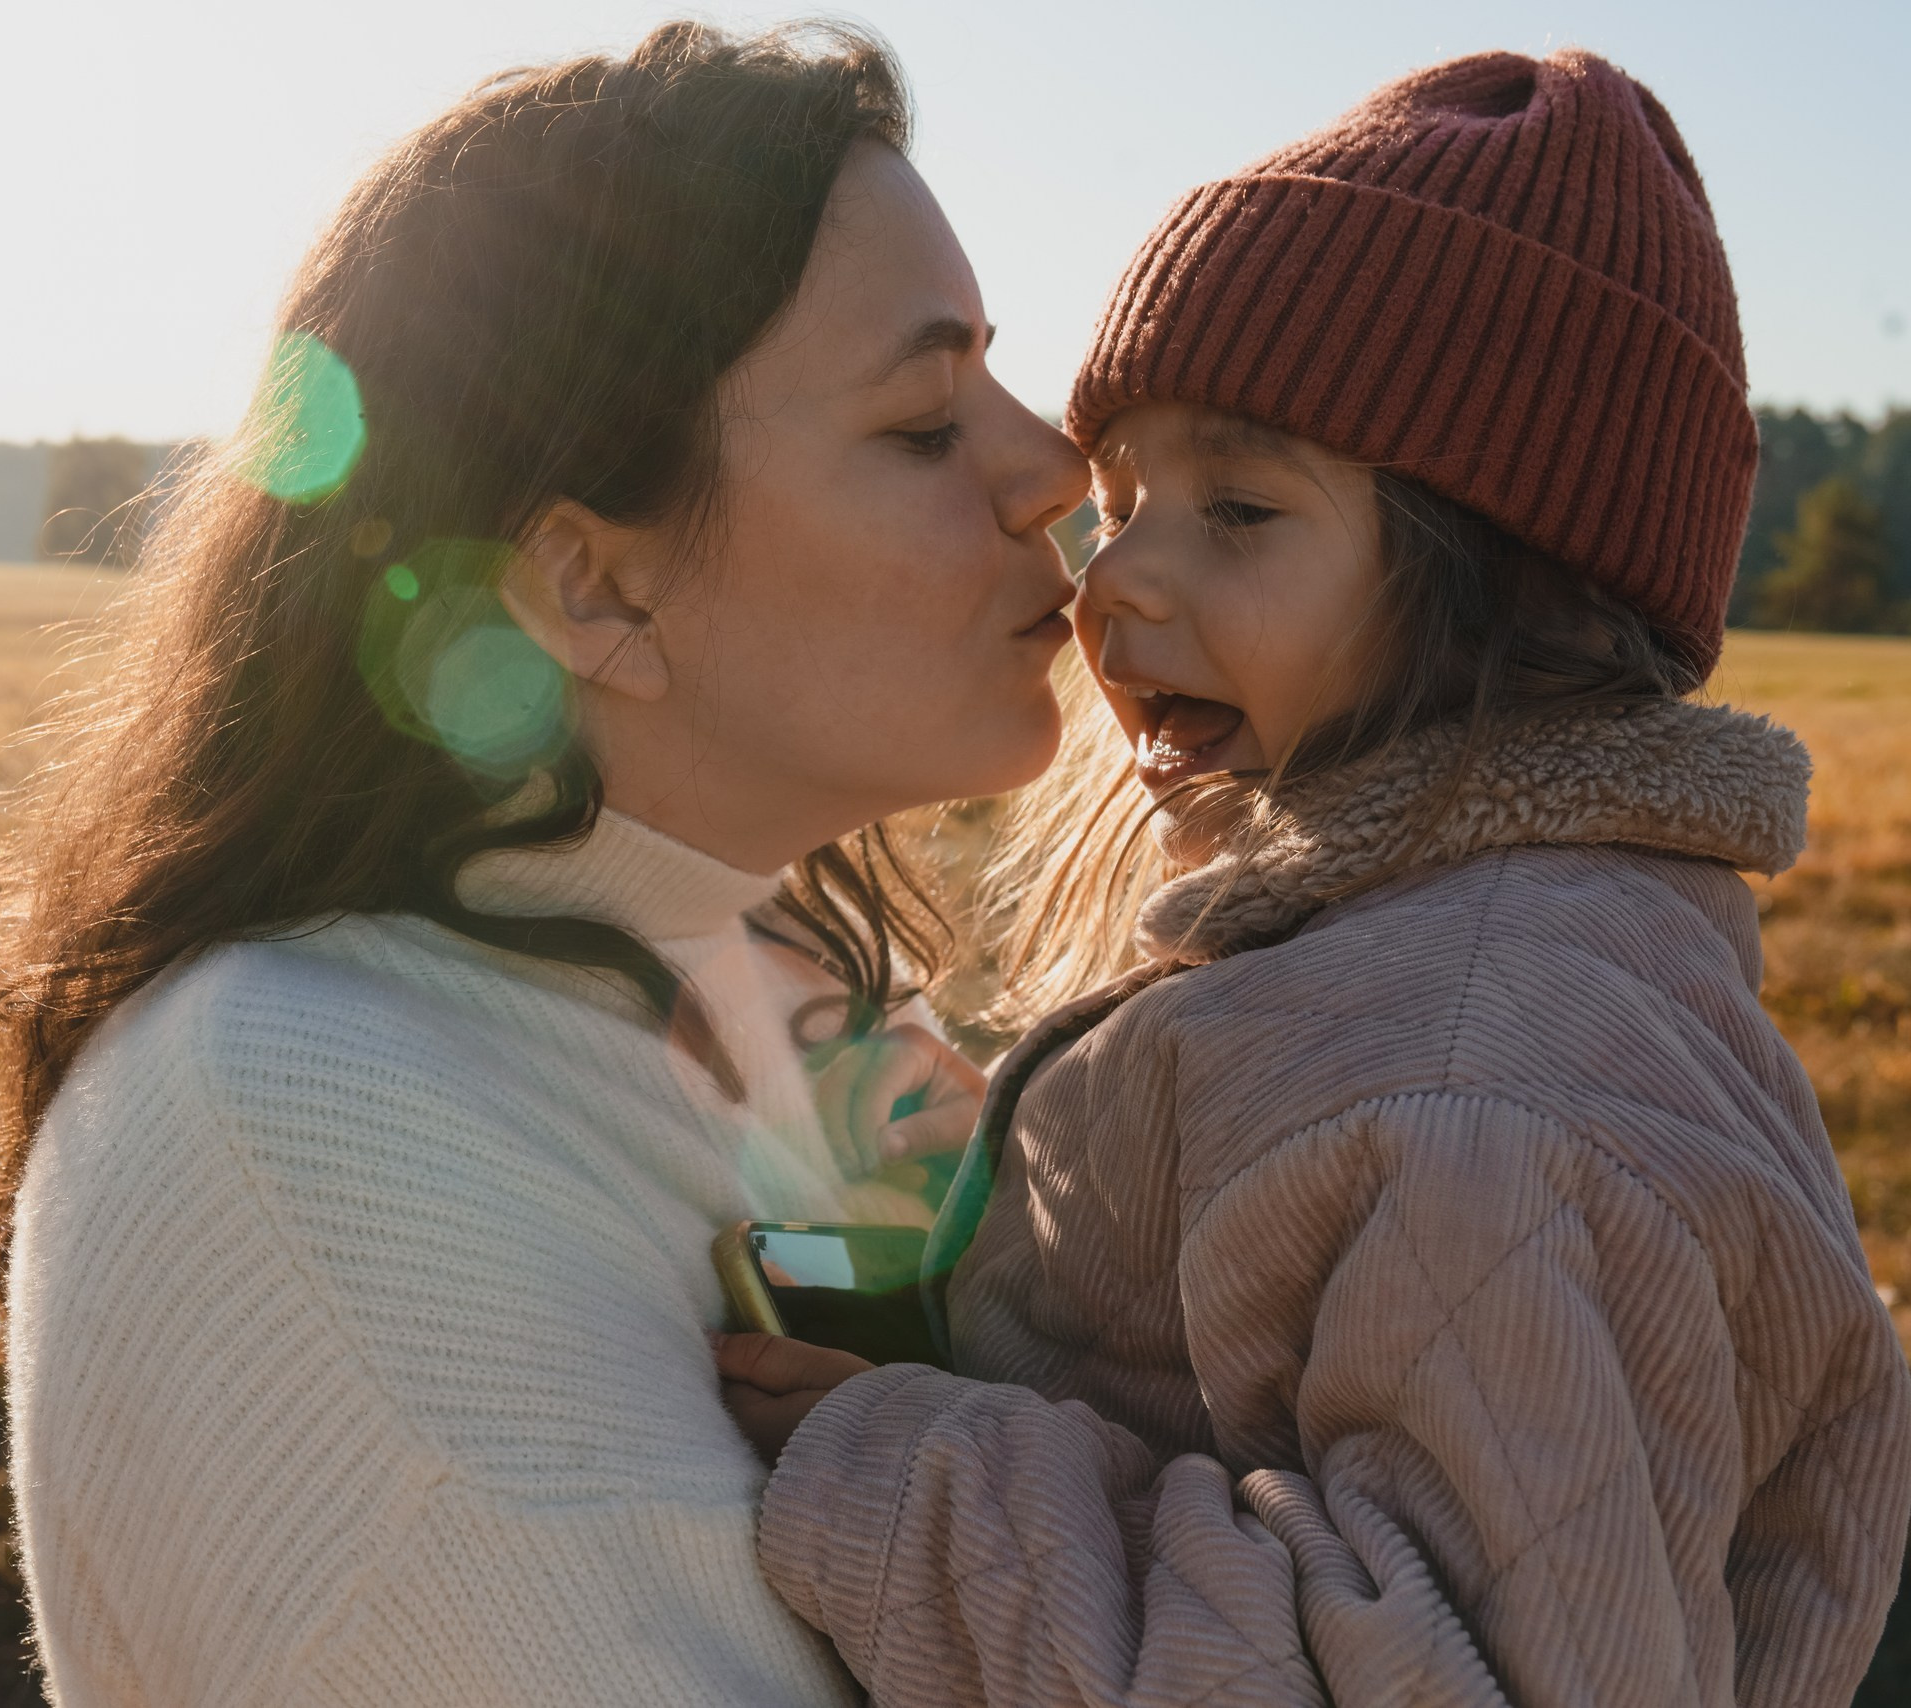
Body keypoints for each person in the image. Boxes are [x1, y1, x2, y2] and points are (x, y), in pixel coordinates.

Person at [0, 21, 1086, 1706]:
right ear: (591, 589)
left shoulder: (766, 981)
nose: (1056, 467)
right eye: (923, 421)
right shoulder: (314, 1132)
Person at [715, 49, 1911, 1707]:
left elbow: (1441, 1675)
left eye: (1239, 508)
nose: (1114, 577)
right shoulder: (1410, 967)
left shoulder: (1474, 1091)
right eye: (1121, 496)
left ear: (1513, 589)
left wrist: (919, 1473)